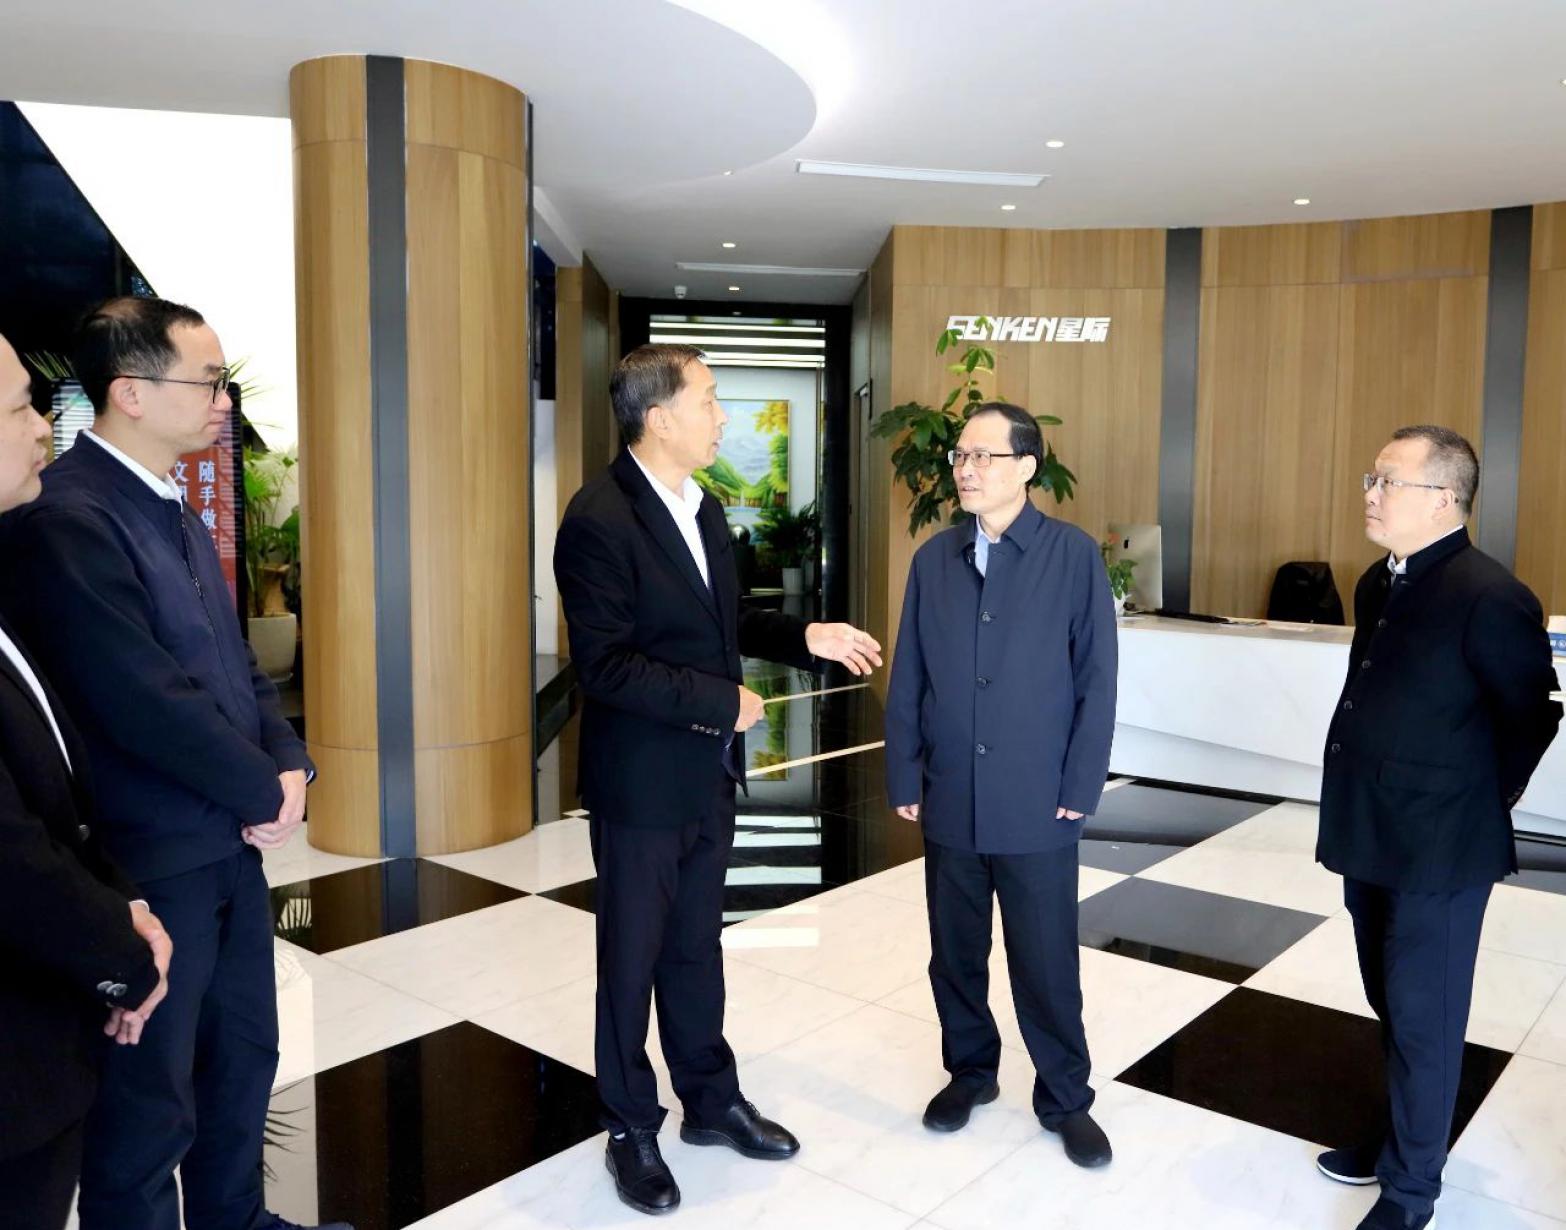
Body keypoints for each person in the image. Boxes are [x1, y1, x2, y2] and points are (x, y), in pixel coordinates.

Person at [0, 299, 349, 1230]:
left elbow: (236, 664)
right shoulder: (69, 517)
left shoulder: (173, 506)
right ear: (130, 393)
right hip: (154, 856)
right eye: (209, 381)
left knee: (242, 1056)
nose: (225, 402)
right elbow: (139, 696)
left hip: (227, 845)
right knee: (150, 1099)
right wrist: (257, 788)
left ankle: (239, 1218)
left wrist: (290, 766)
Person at [554, 343, 882, 1216]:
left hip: (706, 776)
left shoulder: (701, 507)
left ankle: (709, 1099)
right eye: (708, 400)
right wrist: (719, 701)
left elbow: (723, 618)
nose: (722, 415)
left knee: (697, 947)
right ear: (658, 417)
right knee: (631, 961)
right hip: (640, 786)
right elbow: (605, 666)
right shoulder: (598, 519)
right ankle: (630, 1126)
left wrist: (803, 637)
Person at [1314, 425, 1561, 1230]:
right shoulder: (1376, 583)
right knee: (1387, 999)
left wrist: (1482, 802)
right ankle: (1399, 1136)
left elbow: (1533, 714)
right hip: (1370, 829)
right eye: (1371, 478)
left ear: (1444, 499)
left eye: (1388, 481)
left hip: (1443, 848)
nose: (1370, 494)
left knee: (1426, 1016)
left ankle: (1411, 1190)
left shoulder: (1491, 596)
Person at [885, 401, 1117, 1169]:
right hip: (951, 789)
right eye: (960, 456)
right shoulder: (933, 559)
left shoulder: (1072, 556)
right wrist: (904, 768)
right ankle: (970, 1073)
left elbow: (1097, 680)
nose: (966, 468)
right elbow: (910, 673)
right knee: (954, 953)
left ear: (1027, 467)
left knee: (1044, 959)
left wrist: (1082, 782)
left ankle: (1066, 1098)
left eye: (984, 456)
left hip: (1038, 796)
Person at [0, 331, 172, 1230]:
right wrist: (123, 957)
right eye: (21, 406)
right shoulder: (72, 522)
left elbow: (49, 783)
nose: (43, 428)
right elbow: (11, 854)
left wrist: (122, 901)